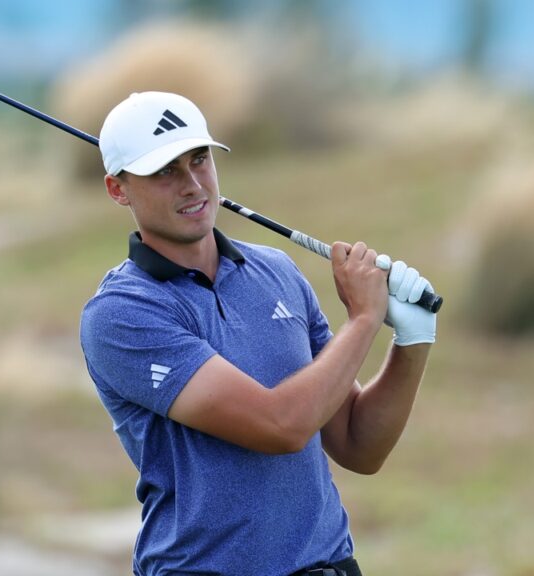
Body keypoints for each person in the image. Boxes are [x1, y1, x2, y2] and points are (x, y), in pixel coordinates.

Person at [80, 91, 436, 576]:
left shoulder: (277, 271)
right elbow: (279, 426)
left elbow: (359, 445)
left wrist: (412, 342)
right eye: (164, 171)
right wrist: (362, 321)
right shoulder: (122, 313)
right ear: (117, 189)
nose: (192, 185)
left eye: (199, 159)